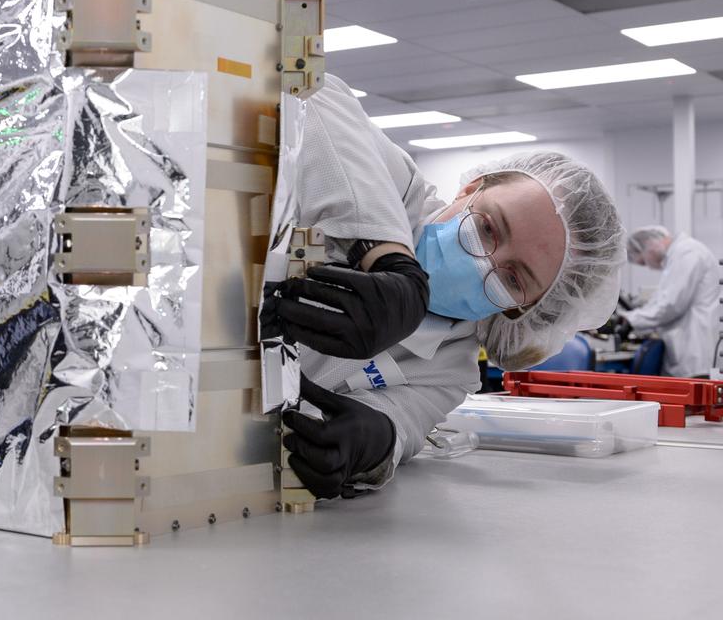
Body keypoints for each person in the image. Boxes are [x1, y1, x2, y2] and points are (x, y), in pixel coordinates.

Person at [262, 76, 625, 499]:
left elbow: (403, 421)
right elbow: (313, 91)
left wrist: (375, 440)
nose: (483, 260)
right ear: (472, 188)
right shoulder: (394, 183)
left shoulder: (451, 372)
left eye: (512, 278)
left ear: (523, 311)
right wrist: (388, 258)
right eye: (488, 228)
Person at [620, 225, 720, 377]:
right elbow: (663, 300)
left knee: (695, 398)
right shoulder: (677, 256)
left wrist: (632, 319)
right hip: (685, 350)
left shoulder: (687, 252)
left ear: (649, 247)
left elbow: (671, 305)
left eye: (644, 262)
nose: (649, 266)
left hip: (694, 352)